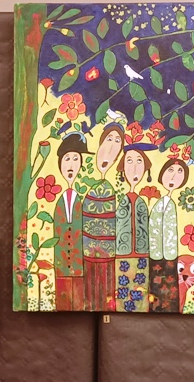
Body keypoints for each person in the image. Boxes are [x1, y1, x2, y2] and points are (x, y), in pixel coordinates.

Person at [82, 123, 123, 311]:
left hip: (109, 259)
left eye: (117, 143)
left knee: (106, 298)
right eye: (109, 139)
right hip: (86, 257)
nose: (111, 147)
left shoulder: (117, 185)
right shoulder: (85, 179)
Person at [114, 141, 155, 312]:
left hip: (142, 256)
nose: (135, 168)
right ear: (123, 168)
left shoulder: (142, 203)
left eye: (139, 162)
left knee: (141, 294)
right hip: (121, 256)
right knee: (122, 295)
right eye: (129, 162)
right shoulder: (121, 201)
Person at [53, 133, 90, 310]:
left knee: (79, 302)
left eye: (76, 159)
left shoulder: (82, 200)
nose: (71, 165)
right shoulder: (58, 201)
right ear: (60, 163)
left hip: (79, 266)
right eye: (67, 159)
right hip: (61, 266)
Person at [149, 158, 188, 312]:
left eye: (179, 173)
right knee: (155, 288)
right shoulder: (159, 203)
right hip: (155, 254)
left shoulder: (170, 204)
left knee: (169, 288)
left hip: (169, 255)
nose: (173, 177)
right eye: (170, 171)